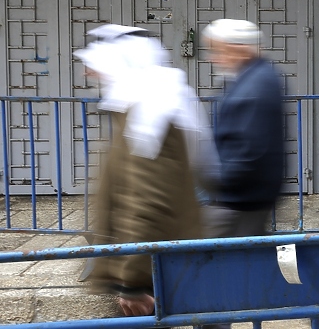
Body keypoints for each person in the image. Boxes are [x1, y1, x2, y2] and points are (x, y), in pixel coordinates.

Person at [75, 25, 205, 320]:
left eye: (94, 66)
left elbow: (148, 199)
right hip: (139, 264)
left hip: (146, 270)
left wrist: (132, 281)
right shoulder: (136, 103)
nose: (87, 73)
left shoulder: (149, 108)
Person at [199, 19, 285, 238]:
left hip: (241, 200)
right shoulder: (252, 78)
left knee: (224, 262)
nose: (213, 58)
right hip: (245, 196)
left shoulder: (255, 85)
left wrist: (217, 180)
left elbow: (249, 148)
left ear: (240, 50)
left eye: (218, 50)